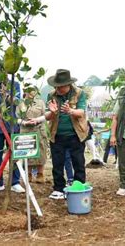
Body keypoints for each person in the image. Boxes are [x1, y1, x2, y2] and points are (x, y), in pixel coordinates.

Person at [44, 69, 88, 200]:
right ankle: (58, 188)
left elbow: (81, 112)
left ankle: (78, 186)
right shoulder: (51, 95)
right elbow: (48, 116)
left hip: (76, 134)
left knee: (78, 162)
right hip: (57, 134)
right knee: (57, 163)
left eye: (60, 86)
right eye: (56, 86)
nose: (57, 89)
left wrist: (70, 111)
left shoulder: (79, 93)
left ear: (67, 85)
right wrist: (52, 112)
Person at [0, 61, 25, 193]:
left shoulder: (15, 85)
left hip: (12, 126)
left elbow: (17, 101)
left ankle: (15, 182)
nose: (0, 75)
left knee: (15, 154)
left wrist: (7, 95)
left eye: (3, 72)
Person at [16, 88, 48, 183]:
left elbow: (45, 116)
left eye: (33, 90)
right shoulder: (20, 103)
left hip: (39, 129)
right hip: (26, 130)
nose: (31, 92)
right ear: (24, 91)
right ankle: (28, 174)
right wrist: (24, 122)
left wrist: (37, 120)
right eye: (29, 90)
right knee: (28, 152)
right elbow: (17, 118)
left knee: (41, 152)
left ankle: (40, 174)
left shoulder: (40, 102)